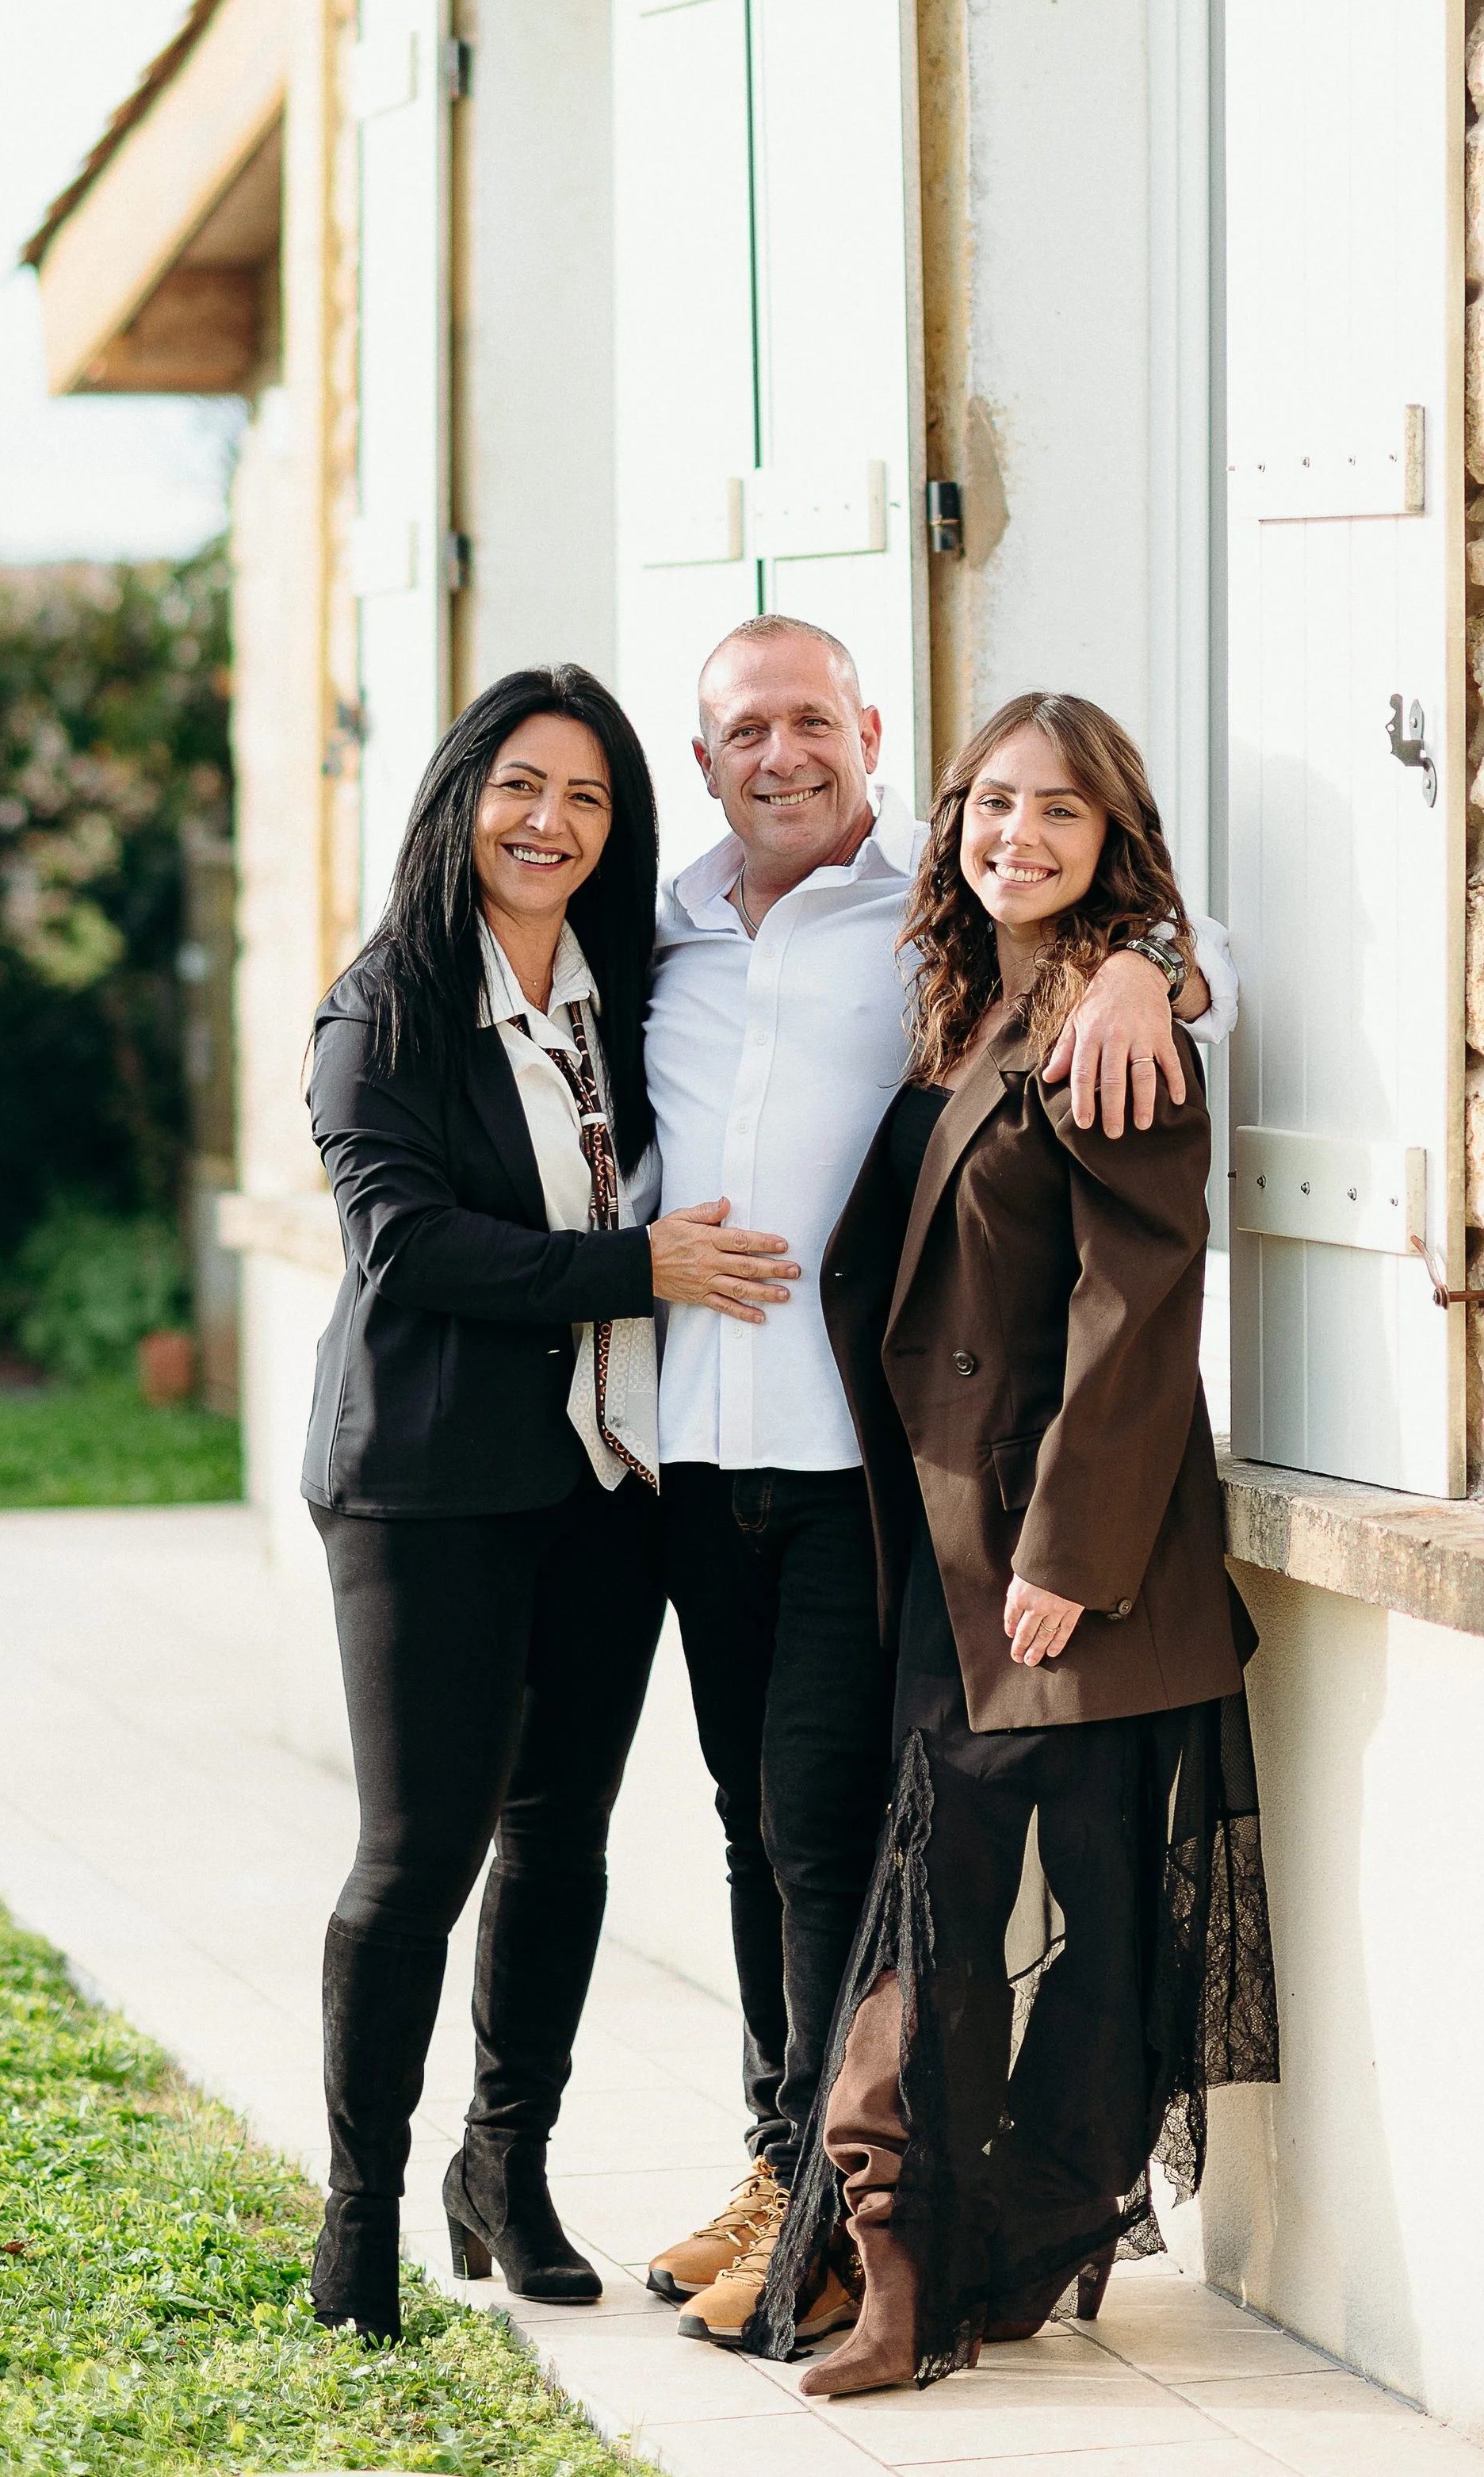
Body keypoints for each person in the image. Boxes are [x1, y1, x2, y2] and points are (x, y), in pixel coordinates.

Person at [640, 618, 1240, 2351]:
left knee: (950, 1895)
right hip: (872, 1501)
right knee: (837, 1861)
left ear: (866, 736)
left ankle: (889, 2240)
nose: (1013, 837)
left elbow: (1137, 1303)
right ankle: (830, 2204)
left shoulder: (1104, 1001)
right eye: (994, 806)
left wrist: (1154, 958)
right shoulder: (933, 966)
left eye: (1057, 815)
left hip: (1007, 1535)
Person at [300, 664, 797, 2344]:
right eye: (521, 785)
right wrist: (636, 1268)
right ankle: (360, 2207)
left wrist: (1146, 966)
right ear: (460, 799)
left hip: (603, 1480)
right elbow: (407, 1243)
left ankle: (501, 2165)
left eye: (585, 798)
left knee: (560, 1843)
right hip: (427, 1487)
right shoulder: (384, 1009)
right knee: (416, 1853)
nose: (549, 823)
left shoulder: (629, 987)